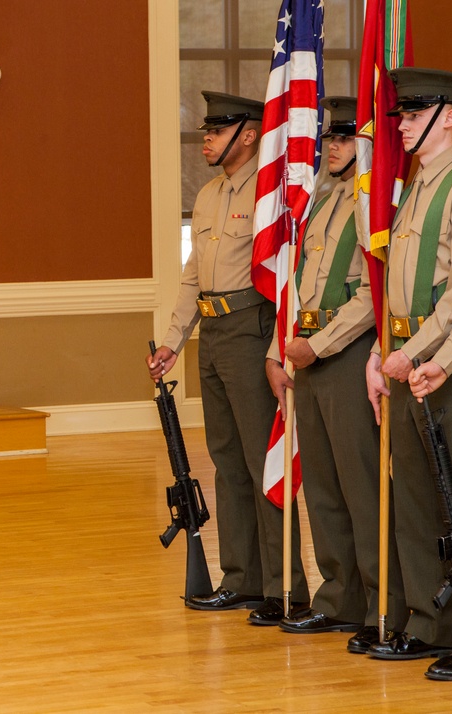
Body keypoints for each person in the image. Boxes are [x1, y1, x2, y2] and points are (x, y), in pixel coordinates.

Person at [148, 91, 309, 625]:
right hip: (212, 335)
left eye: (216, 131)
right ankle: (240, 578)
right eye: (205, 131)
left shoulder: (271, 196)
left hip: (249, 330)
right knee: (227, 461)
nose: (206, 140)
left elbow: (286, 281)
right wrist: (174, 338)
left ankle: (281, 585)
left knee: (262, 461)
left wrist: (272, 349)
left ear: (246, 134)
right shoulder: (212, 194)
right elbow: (194, 272)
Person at [264, 96, 407, 653]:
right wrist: (287, 349)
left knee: (361, 484)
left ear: (366, 144)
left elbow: (375, 296)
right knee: (322, 485)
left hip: (346, 356)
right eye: (328, 139)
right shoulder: (321, 203)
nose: (330, 148)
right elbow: (298, 285)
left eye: (344, 140)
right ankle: (338, 597)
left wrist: (317, 346)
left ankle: (381, 604)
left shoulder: (373, 205)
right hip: (309, 355)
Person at [365, 68, 452, 681]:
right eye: (401, 115)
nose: (401, 124)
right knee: (412, 499)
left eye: (414, 113)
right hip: (406, 362)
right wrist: (382, 355)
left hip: (446, 367)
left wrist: (423, 356)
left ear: (449, 117)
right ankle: (426, 624)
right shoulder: (412, 189)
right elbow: (400, 290)